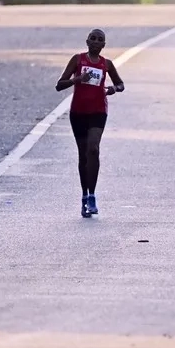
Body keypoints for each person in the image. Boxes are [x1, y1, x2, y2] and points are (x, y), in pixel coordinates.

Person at [56, 28, 125, 218]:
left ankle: (93, 196)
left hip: (98, 111)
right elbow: (59, 85)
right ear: (87, 42)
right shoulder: (77, 60)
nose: (95, 42)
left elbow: (121, 84)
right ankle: (84, 196)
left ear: (104, 45)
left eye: (99, 40)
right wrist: (78, 79)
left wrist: (112, 89)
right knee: (83, 155)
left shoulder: (107, 64)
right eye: (92, 38)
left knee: (93, 149)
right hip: (78, 112)